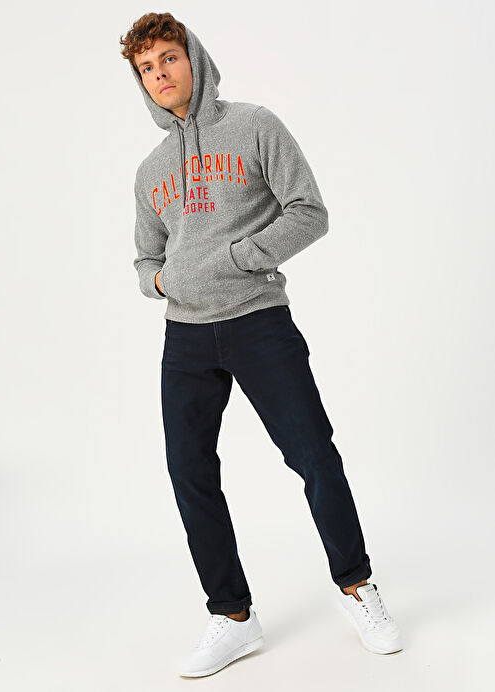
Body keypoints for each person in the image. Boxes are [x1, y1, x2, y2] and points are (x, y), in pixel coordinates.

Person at [120, 11, 403, 678]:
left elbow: (308, 211)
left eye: (168, 58)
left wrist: (239, 259)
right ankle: (232, 616)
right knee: (189, 471)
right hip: (185, 337)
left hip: (257, 321)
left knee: (312, 454)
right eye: (146, 68)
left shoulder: (254, 126)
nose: (159, 74)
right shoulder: (150, 170)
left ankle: (357, 587)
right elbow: (144, 261)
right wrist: (163, 280)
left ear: (193, 57)